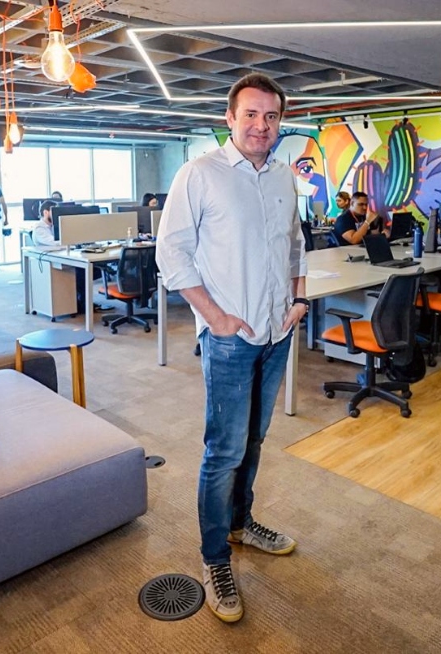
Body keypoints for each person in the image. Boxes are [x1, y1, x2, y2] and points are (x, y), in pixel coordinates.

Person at [156, 72, 307, 624]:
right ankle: (214, 555)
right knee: (223, 451)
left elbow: (295, 245)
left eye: (271, 116)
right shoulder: (200, 174)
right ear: (229, 118)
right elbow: (171, 254)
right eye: (251, 114)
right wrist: (214, 317)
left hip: (276, 331)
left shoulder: (285, 177)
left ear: (280, 121)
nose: (261, 125)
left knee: (254, 440)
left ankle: (242, 525)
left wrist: (299, 300)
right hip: (230, 340)